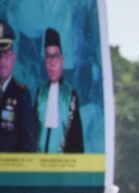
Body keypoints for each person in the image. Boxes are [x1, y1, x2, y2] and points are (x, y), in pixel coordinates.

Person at [34, 28, 83, 154]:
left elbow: (77, 141)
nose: (51, 63)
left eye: (55, 56)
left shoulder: (70, 95)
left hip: (62, 169)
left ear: (62, 60)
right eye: (48, 57)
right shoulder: (40, 94)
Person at [0, 20, 37, 152]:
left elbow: (29, 143)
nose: (2, 61)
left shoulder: (21, 95)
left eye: (6, 54)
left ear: (13, 58)